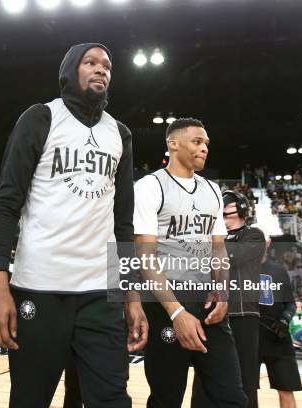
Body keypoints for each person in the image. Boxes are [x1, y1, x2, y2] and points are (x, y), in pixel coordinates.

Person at [0, 43, 148, 408]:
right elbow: (7, 204)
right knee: (30, 398)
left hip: (100, 293)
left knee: (111, 398)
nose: (100, 70)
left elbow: (123, 223)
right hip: (39, 287)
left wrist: (132, 295)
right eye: (90, 62)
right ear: (71, 69)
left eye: (107, 65)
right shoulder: (41, 117)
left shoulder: (120, 134)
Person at [133, 118, 247, 408]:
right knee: (167, 398)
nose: (205, 148)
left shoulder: (211, 190)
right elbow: (145, 257)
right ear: (173, 144)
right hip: (165, 304)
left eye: (206, 143)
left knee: (232, 397)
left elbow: (218, 250)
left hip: (208, 303)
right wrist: (176, 313)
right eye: (197, 141)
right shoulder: (149, 186)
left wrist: (223, 292)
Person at [192, 190, 265, 408]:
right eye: (219, 215)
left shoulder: (254, 234)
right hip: (214, 314)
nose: (223, 219)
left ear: (242, 212)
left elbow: (230, 258)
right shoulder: (213, 239)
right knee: (205, 374)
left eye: (227, 214)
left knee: (244, 377)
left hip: (243, 315)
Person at [258, 245, 302, 407]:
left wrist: (285, 319)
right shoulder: (238, 269)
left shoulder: (278, 270)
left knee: (286, 389)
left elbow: (290, 303)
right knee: (246, 390)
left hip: (278, 337)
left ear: (267, 243)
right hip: (248, 338)